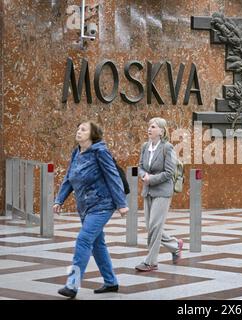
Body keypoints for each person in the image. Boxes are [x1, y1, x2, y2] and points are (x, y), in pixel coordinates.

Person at [53, 121, 129, 298]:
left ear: (92, 134)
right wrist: (59, 200)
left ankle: (72, 285)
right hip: (85, 207)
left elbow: (113, 177)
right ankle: (111, 282)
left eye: (83, 129)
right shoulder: (76, 153)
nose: (78, 131)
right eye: (78, 128)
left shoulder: (100, 152)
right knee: (97, 244)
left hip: (102, 204)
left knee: (83, 240)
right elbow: (69, 178)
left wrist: (121, 204)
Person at [135, 117, 183, 272]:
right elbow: (140, 166)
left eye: (153, 127)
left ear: (162, 131)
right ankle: (175, 245)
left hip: (162, 191)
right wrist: (143, 176)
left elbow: (169, 172)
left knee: (155, 226)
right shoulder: (145, 146)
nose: (150, 129)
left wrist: (151, 179)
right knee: (151, 227)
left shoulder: (167, 148)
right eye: (149, 126)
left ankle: (151, 262)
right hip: (148, 190)